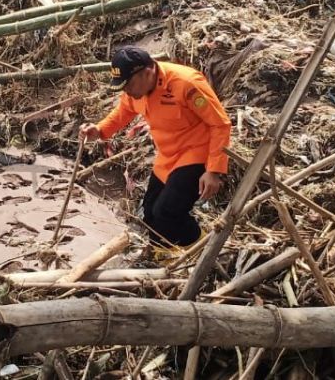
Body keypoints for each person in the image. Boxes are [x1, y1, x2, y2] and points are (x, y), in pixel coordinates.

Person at [81, 47, 232, 248]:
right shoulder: (135, 92)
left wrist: (214, 171)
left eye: (128, 85)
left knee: (167, 212)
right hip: (168, 156)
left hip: (198, 153)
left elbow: (220, 124)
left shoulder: (186, 83)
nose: (126, 91)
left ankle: (201, 246)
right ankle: (164, 253)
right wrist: (99, 130)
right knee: (150, 213)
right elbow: (123, 112)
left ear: (147, 72)